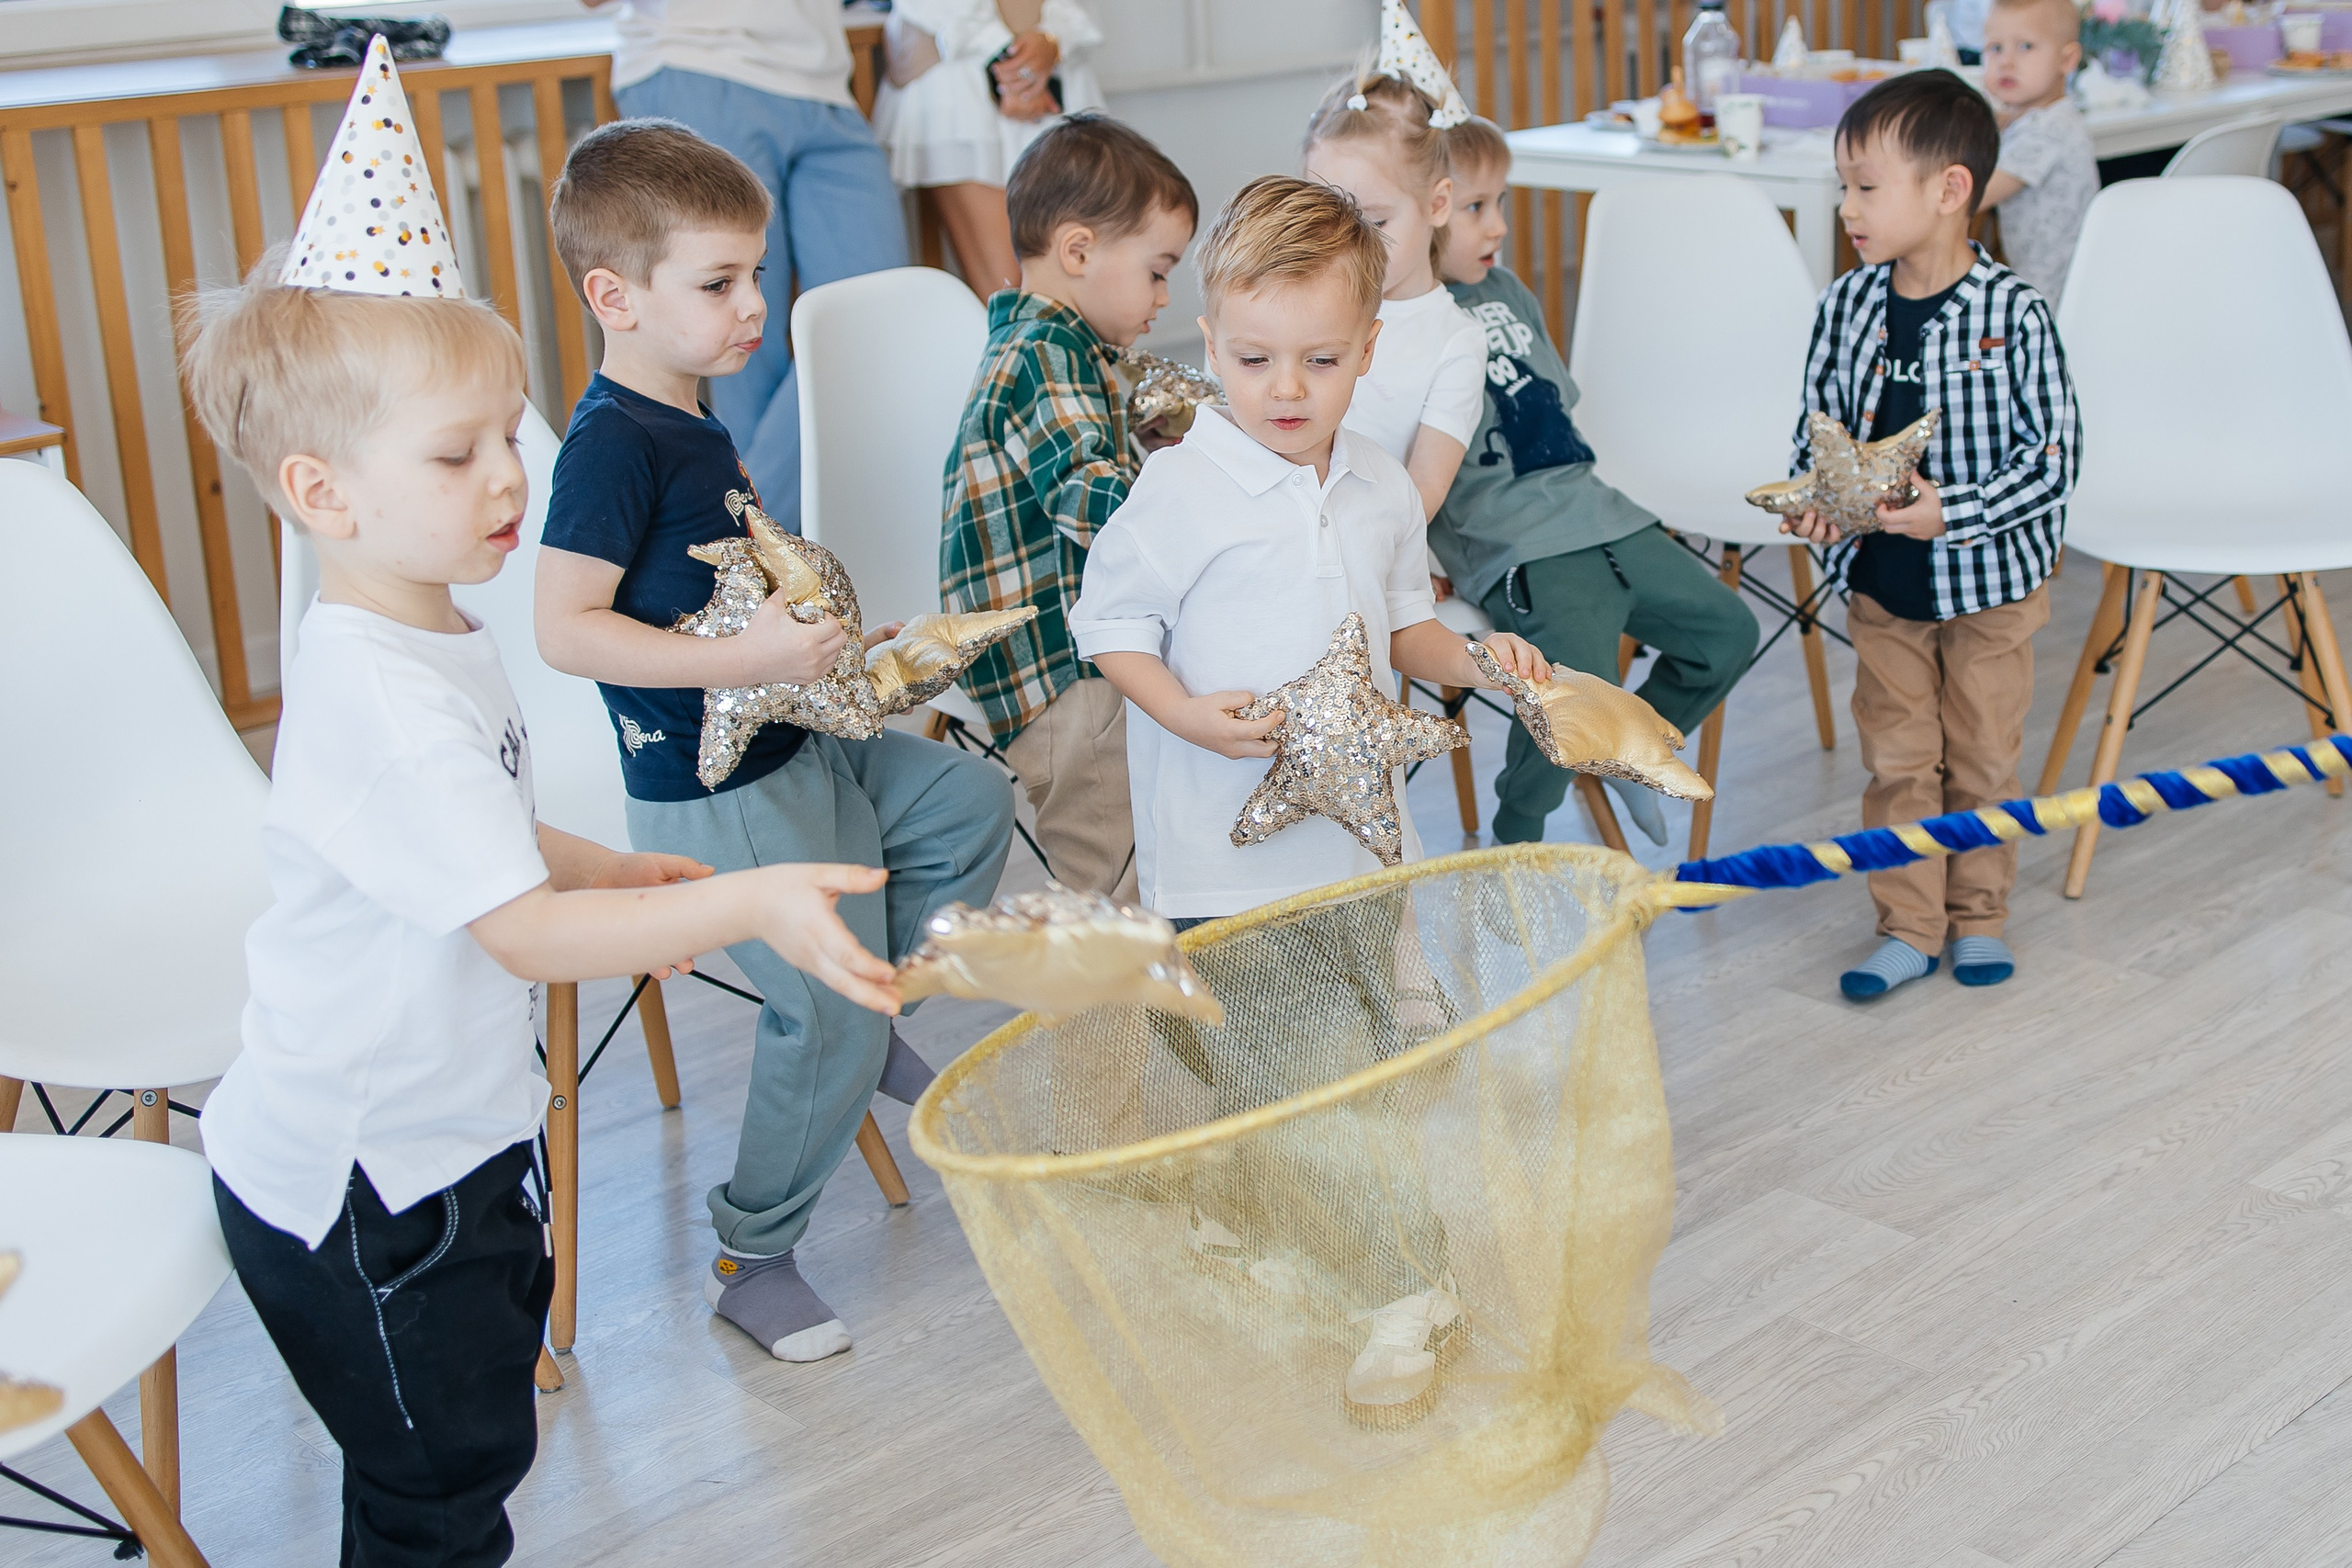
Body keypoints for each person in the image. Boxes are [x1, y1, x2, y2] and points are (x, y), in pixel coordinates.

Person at [183, 264, 902, 1565]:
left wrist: (606, 868)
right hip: (368, 1188)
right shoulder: (387, 704)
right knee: (441, 1494)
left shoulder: (423, 631)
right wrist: (756, 897)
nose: (512, 477)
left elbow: (489, 837)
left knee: (456, 1462)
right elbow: (515, 932)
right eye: (456, 454)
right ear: (320, 492)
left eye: (510, 434)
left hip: (448, 1140)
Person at [1067, 175, 1549, 1427]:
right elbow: (1110, 626)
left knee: (1343, 1057)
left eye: (1322, 359)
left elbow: (1409, 629)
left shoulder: (1384, 486)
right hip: (1217, 869)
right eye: (1253, 356)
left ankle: (1351, 1255)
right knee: (1285, 1062)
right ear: (1211, 343)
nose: (1286, 387)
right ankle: (1400, 1277)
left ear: (1369, 351)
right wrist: (1181, 713)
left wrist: (1482, 658)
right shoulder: (1183, 489)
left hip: (1352, 852)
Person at [535, 118, 1016, 1362]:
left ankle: (863, 1016)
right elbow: (567, 632)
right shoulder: (610, 446)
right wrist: (750, 663)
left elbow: (740, 592)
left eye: (755, 274)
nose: (757, 305)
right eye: (719, 283)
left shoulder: (691, 414)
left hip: (799, 735)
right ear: (614, 296)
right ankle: (755, 1248)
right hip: (718, 794)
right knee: (834, 1009)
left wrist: (843, 649)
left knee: (964, 807)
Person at [1780, 71, 2079, 1000]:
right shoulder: (1846, 308)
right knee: (1899, 761)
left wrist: (1955, 510)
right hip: (1882, 587)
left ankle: (1978, 915)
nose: (1846, 208)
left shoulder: (2014, 316)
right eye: (1843, 186)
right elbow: (1816, 431)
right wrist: (1819, 502)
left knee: (1983, 757)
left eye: (1865, 187)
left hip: (1991, 586)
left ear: (1949, 190)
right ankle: (1908, 925)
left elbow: (2054, 459)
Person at [1429, 114, 1758, 847]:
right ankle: (1515, 842)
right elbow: (1390, 453)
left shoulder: (1508, 292)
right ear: (1428, 207)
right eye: (1477, 208)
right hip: (1517, 546)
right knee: (1567, 695)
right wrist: (1414, 558)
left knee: (1728, 630)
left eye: (1500, 203)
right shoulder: (1408, 321)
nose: (1499, 226)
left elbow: (1560, 404)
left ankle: (1624, 751)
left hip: (1600, 510)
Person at [940, 114, 1199, 902]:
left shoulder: (1067, 351)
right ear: (1079, 251)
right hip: (1058, 669)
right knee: (1110, 881)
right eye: (1157, 270)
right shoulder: (1044, 354)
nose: (1163, 296)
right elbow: (1089, 498)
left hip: (1072, 657)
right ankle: (1108, 1027)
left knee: (1134, 862)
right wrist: (1195, 513)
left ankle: (1156, 1016)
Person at [588, 0, 910, 521]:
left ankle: (736, 543)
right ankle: (753, 564)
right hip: (701, 63)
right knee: (735, 337)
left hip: (823, 80)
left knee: (877, 321)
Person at [1301, 67, 1484, 527]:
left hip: (1368, 541)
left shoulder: (1454, 340)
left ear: (1437, 204)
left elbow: (1421, 491)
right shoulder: (1299, 304)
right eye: (1325, 218)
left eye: (1375, 223)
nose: (1345, 243)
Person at [876, 0, 1108, 297]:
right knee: (1012, 290)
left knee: (1081, 278)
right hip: (961, 83)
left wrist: (1051, 40)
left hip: (1055, 79)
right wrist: (1009, 59)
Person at [1979, 0, 2097, 305]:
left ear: (2067, 59)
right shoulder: (2042, 118)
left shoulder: (2047, 132)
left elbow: (1975, 197)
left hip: (2053, 294)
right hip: (2047, 282)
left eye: (2026, 46)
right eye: (1995, 48)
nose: (2007, 62)